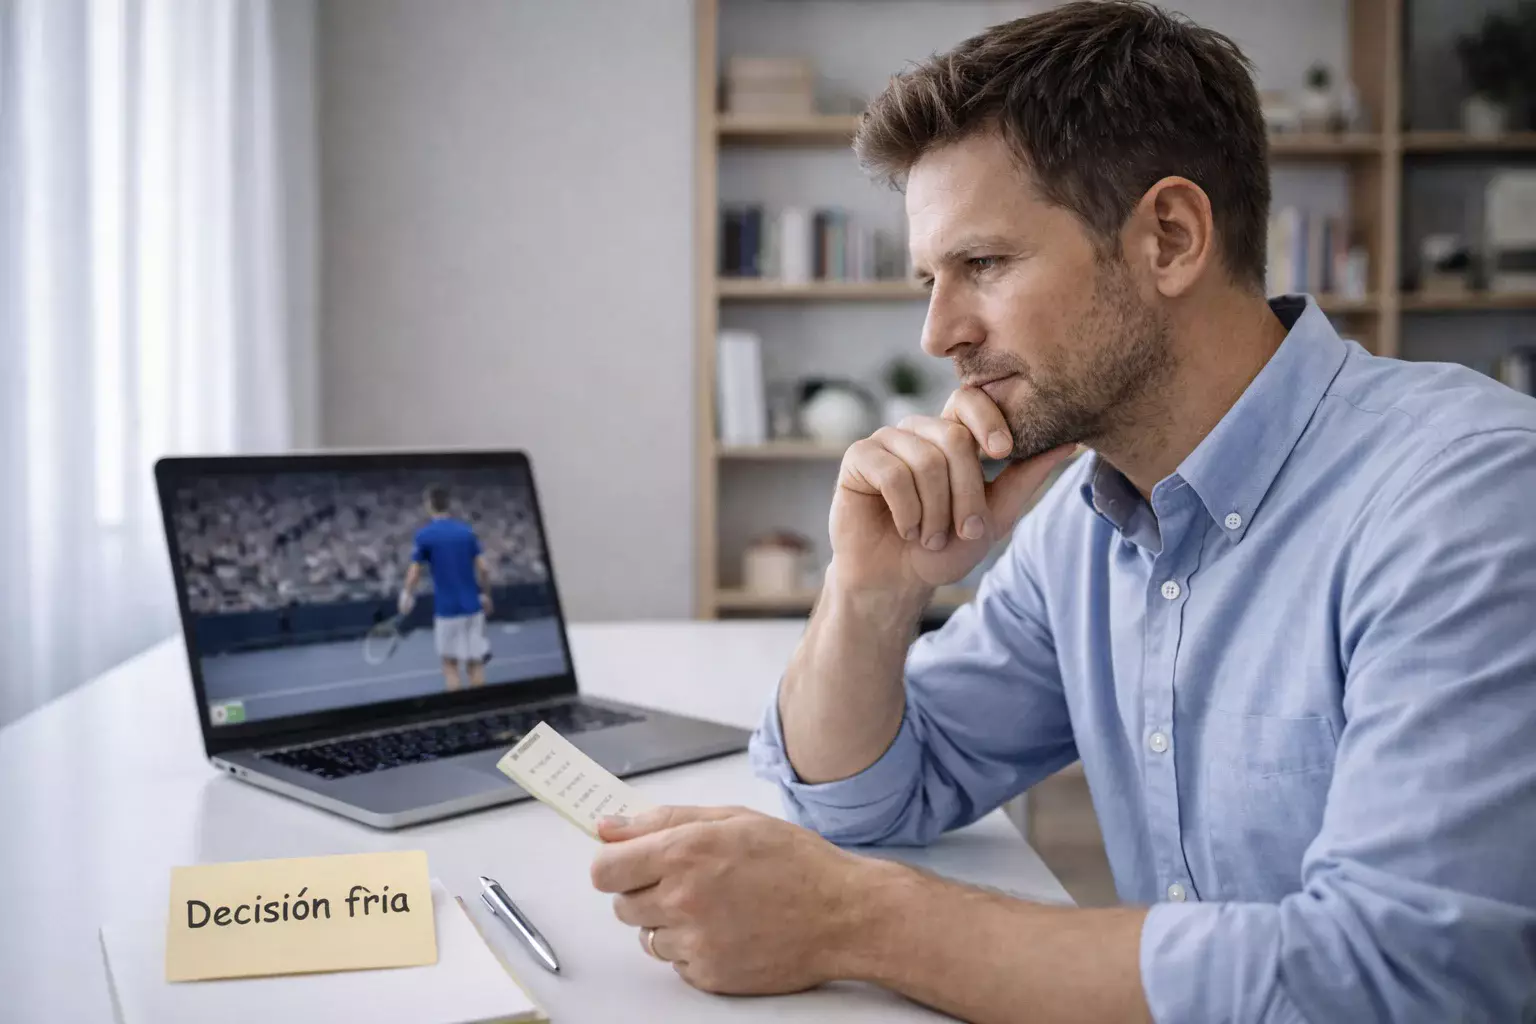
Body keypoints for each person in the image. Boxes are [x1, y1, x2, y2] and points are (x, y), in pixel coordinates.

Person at [586, 3, 1536, 1021]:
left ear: (1170, 238)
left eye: (982, 266)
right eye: (929, 278)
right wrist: (871, 590)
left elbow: (1402, 978)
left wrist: (852, 919)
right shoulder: (1084, 521)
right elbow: (863, 793)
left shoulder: (1468, 498)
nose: (939, 331)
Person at [398, 485, 494, 691]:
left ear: (429, 505)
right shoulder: (467, 532)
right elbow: (484, 569)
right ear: (448, 505)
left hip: (447, 611)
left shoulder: (424, 536)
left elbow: (414, 572)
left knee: (450, 666)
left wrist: (406, 595)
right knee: (475, 664)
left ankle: (461, 716)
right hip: (472, 608)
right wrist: (485, 595)